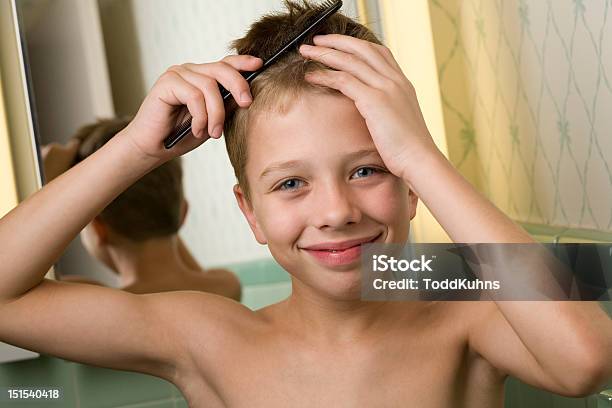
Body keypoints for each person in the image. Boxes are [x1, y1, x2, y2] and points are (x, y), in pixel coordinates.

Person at [0, 2, 609, 406]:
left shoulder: (462, 318)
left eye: (370, 168)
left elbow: (585, 362)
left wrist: (422, 156)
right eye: (291, 183)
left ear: (411, 186)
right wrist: (135, 148)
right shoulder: (209, 338)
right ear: (249, 213)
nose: (337, 210)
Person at [40, 118, 241, 300]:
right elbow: (162, 215)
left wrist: (43, 185)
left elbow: (14, 277)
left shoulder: (101, 305)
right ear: (183, 213)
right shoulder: (225, 286)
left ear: (99, 228)